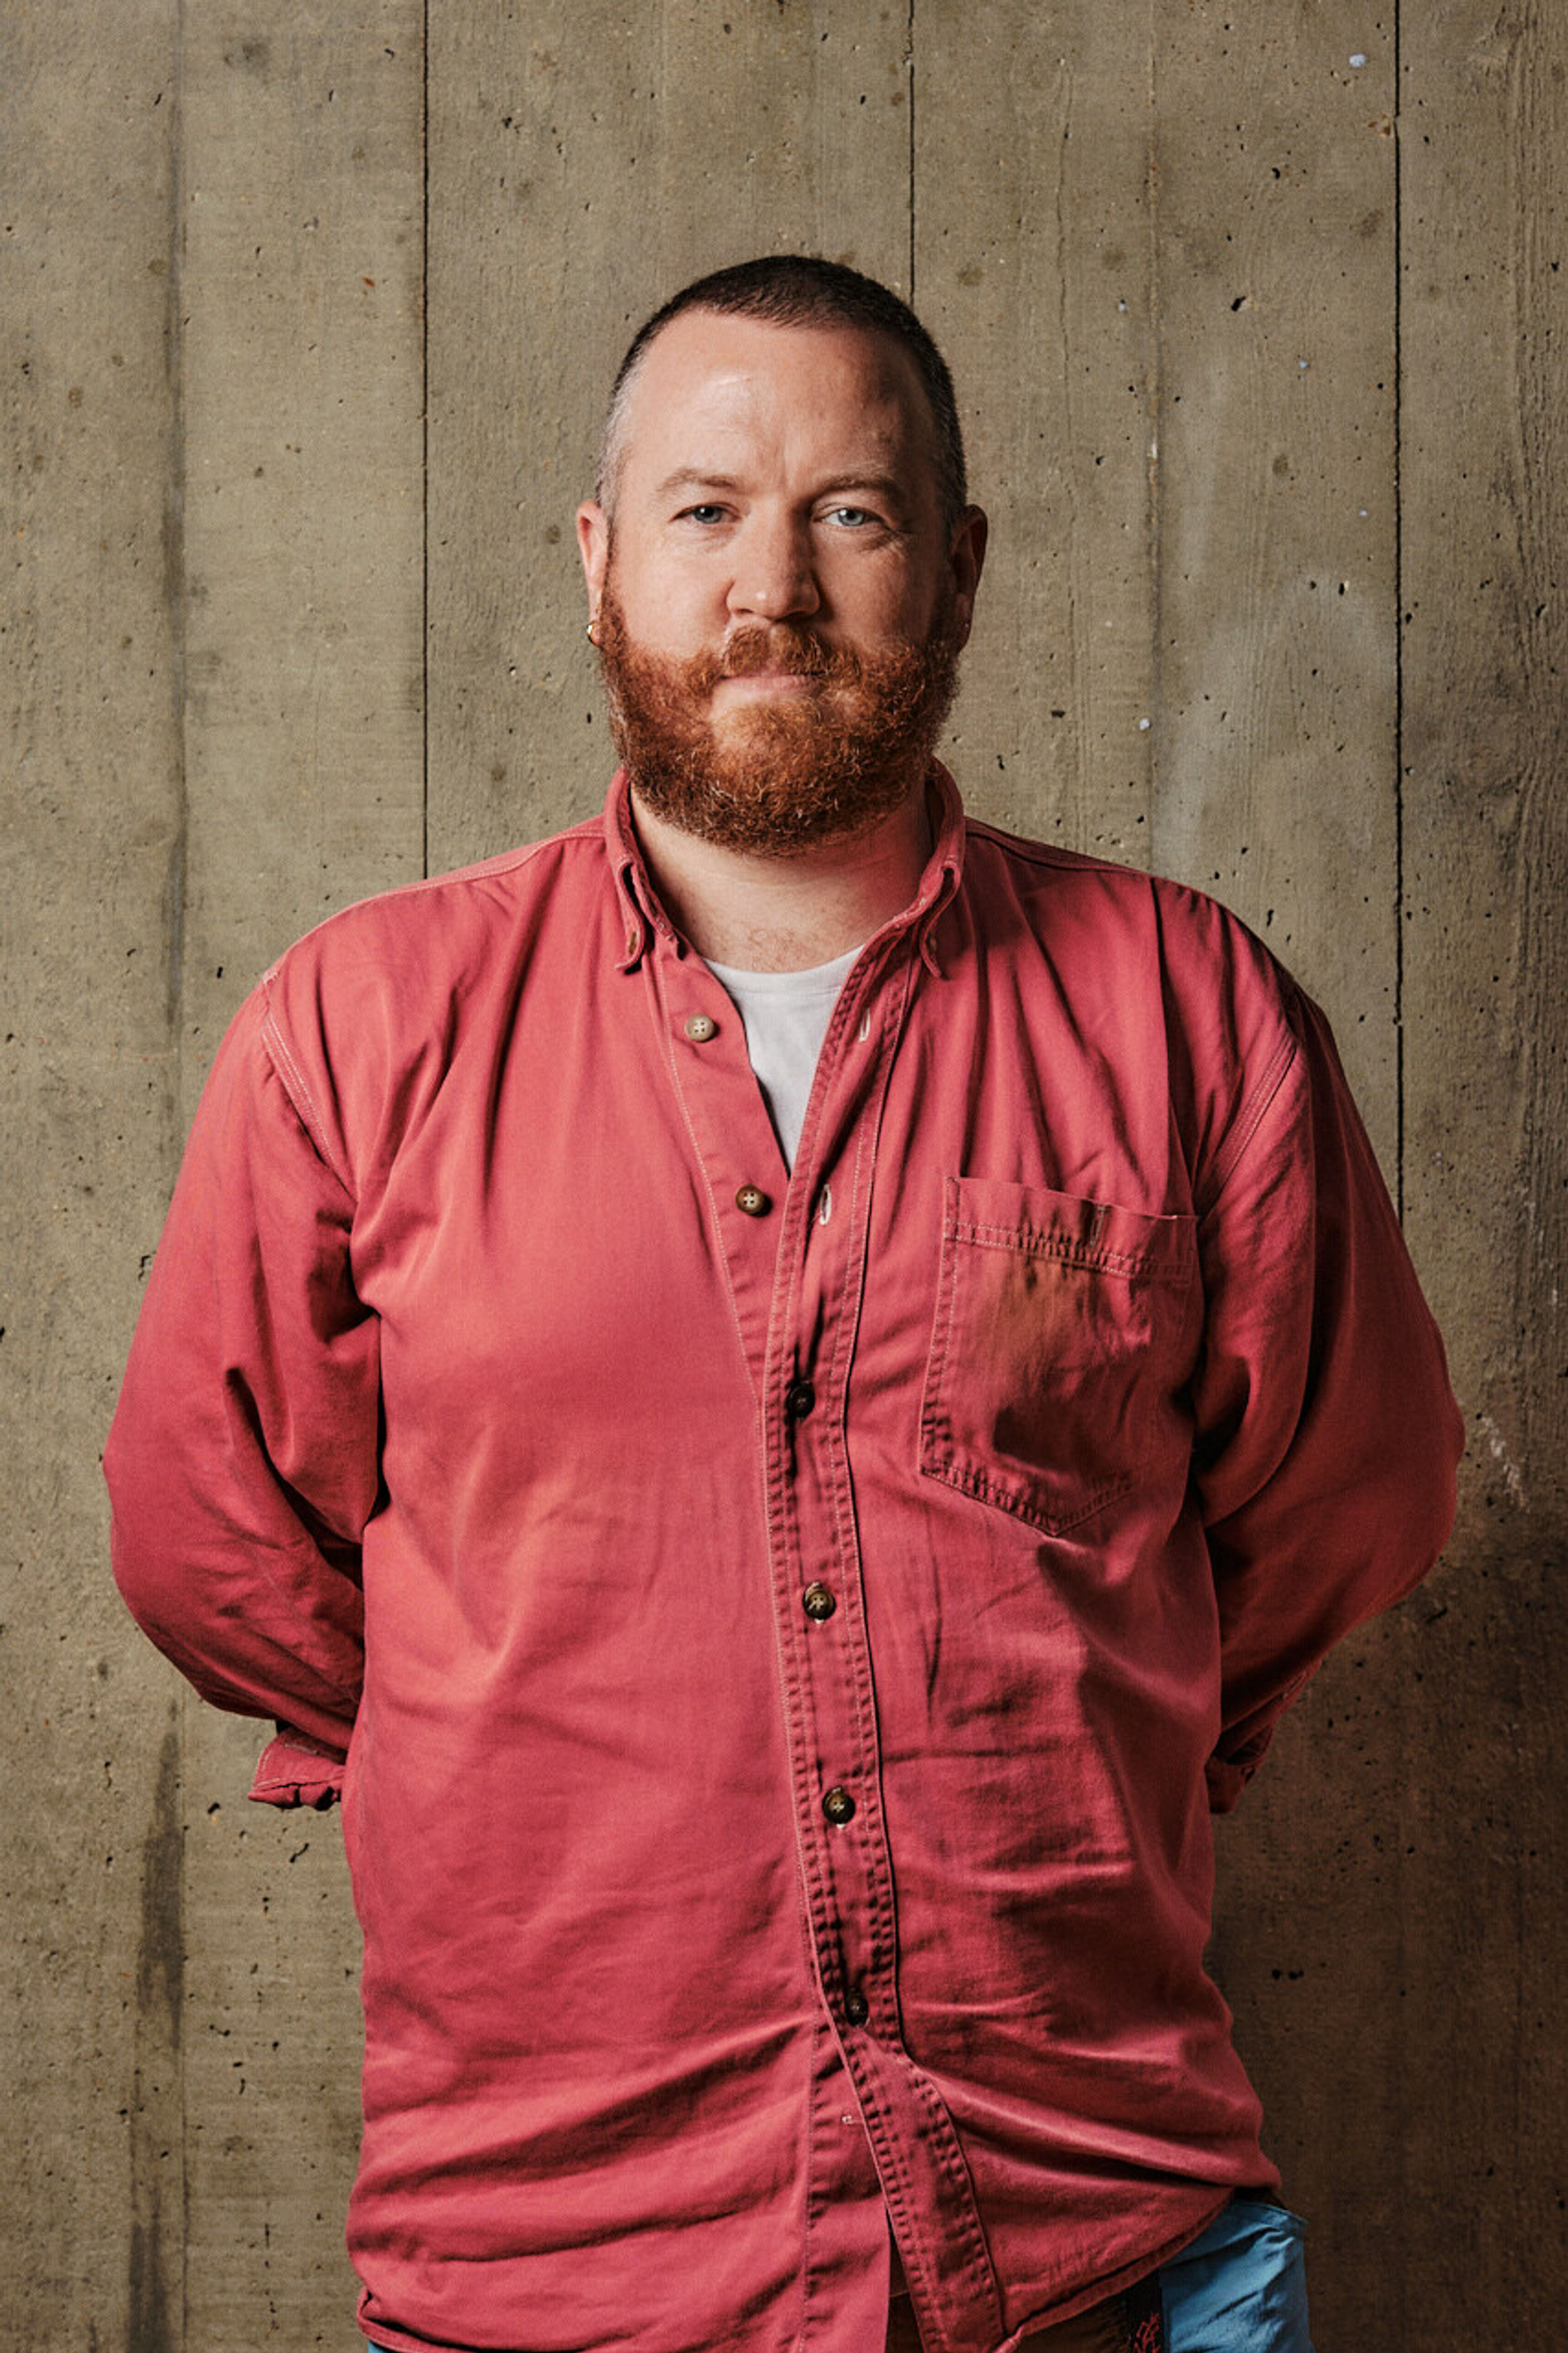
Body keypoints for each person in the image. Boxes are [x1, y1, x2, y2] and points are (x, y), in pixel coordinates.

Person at [106, 256, 1463, 2353]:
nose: (775, 587)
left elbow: (1337, 1501)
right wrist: (521, 1746)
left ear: (957, 564)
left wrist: (1127, 1718)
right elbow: (219, 1542)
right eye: (704, 508)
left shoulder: (1186, 1013)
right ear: (597, 560)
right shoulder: (356, 1032)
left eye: (849, 511)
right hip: (559, 2256)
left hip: (1098, 2245)